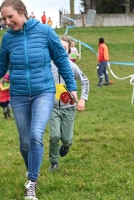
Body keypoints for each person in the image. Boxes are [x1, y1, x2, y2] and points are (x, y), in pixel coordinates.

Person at [0, 0, 77, 199]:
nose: (7, 22)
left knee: (36, 136)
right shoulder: (8, 39)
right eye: (4, 18)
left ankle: (32, 182)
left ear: (22, 12)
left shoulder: (45, 32)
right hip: (18, 95)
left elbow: (61, 59)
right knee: (25, 142)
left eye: (10, 17)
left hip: (43, 92)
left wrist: (72, 86)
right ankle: (31, 171)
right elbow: (0, 67)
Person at [48, 35, 89, 172]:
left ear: (69, 50)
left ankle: (66, 145)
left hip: (69, 108)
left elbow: (85, 81)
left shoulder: (72, 66)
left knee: (67, 139)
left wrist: (82, 99)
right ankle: (54, 162)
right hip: (52, 107)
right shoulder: (47, 66)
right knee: (54, 136)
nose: (60, 50)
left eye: (64, 48)